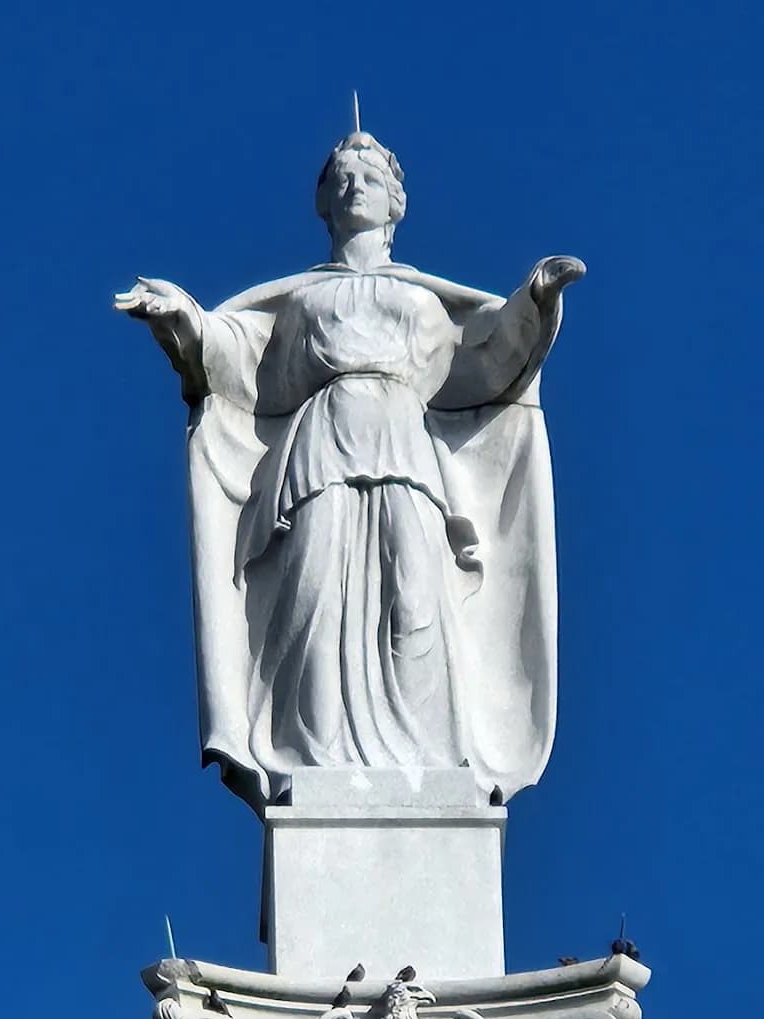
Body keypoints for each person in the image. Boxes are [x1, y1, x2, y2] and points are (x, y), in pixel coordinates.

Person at [115, 127, 584, 815]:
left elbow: (479, 364)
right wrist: (185, 319)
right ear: (323, 203)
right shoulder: (301, 300)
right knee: (314, 596)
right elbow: (242, 362)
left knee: (418, 601)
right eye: (341, 176)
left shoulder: (423, 301)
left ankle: (428, 760)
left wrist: (535, 305)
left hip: (405, 447)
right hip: (322, 451)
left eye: (369, 175)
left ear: (396, 202)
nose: (355, 184)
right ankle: (317, 752)